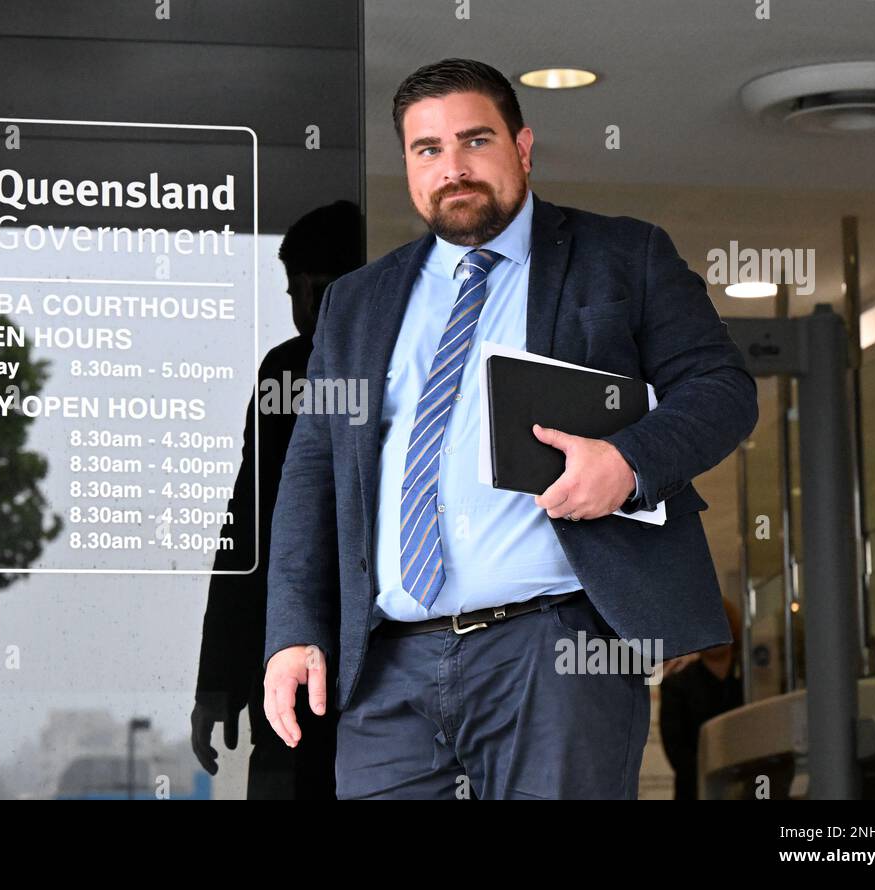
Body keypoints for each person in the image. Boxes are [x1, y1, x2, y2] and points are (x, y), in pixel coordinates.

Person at [261, 57, 759, 799]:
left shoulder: (622, 257)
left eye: (475, 141)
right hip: (388, 665)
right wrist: (295, 630)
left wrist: (627, 462)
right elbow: (311, 471)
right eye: (427, 150)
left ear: (522, 148)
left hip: (554, 650)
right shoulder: (359, 304)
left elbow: (722, 390)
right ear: (407, 164)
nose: (452, 167)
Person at [192, 201, 364, 798]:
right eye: (297, 291)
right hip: (289, 666)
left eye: (324, 289)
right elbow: (248, 530)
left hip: (384, 670)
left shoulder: (404, 367)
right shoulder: (286, 371)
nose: (308, 308)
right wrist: (216, 681)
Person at [660, 597, 745, 800]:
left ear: (732, 629)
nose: (713, 634)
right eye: (706, 626)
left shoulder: (751, 681)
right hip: (695, 791)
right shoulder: (677, 685)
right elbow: (677, 752)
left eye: (720, 625)